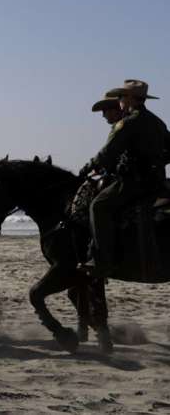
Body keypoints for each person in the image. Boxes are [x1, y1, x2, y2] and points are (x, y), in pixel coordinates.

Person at [80, 80, 170, 277]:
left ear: (129, 99)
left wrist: (86, 168)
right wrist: (154, 163)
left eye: (121, 96)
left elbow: (106, 154)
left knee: (98, 206)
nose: (119, 100)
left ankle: (101, 260)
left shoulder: (127, 123)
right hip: (157, 182)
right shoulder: (157, 122)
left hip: (134, 183)